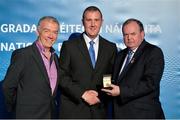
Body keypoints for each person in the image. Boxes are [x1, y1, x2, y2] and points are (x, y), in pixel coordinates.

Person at [58, 6, 117, 118]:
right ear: (82, 22)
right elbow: (61, 76)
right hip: (74, 110)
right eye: (89, 20)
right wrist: (83, 94)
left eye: (96, 20)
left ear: (102, 22)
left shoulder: (110, 47)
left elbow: (109, 77)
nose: (93, 24)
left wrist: (100, 95)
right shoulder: (69, 46)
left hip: (99, 110)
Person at [101, 18, 165, 119]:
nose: (129, 38)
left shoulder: (153, 52)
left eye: (133, 34)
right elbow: (112, 78)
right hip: (119, 114)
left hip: (143, 115)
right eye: (126, 35)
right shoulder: (120, 55)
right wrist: (105, 88)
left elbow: (150, 83)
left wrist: (121, 91)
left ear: (142, 34)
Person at [2, 16, 60, 119]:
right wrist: (19, 108)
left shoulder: (55, 57)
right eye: (47, 31)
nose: (51, 36)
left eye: (55, 32)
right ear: (37, 32)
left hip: (50, 115)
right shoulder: (23, 55)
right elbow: (8, 86)